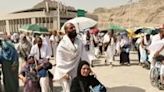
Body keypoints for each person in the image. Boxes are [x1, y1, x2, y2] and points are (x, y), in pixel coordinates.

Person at [54, 23, 88, 92]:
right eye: (71, 28)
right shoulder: (62, 45)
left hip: (76, 70)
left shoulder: (79, 42)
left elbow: (84, 55)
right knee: (68, 90)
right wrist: (63, 73)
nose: (74, 29)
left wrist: (87, 67)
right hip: (65, 73)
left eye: (74, 27)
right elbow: (60, 61)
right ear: (66, 31)